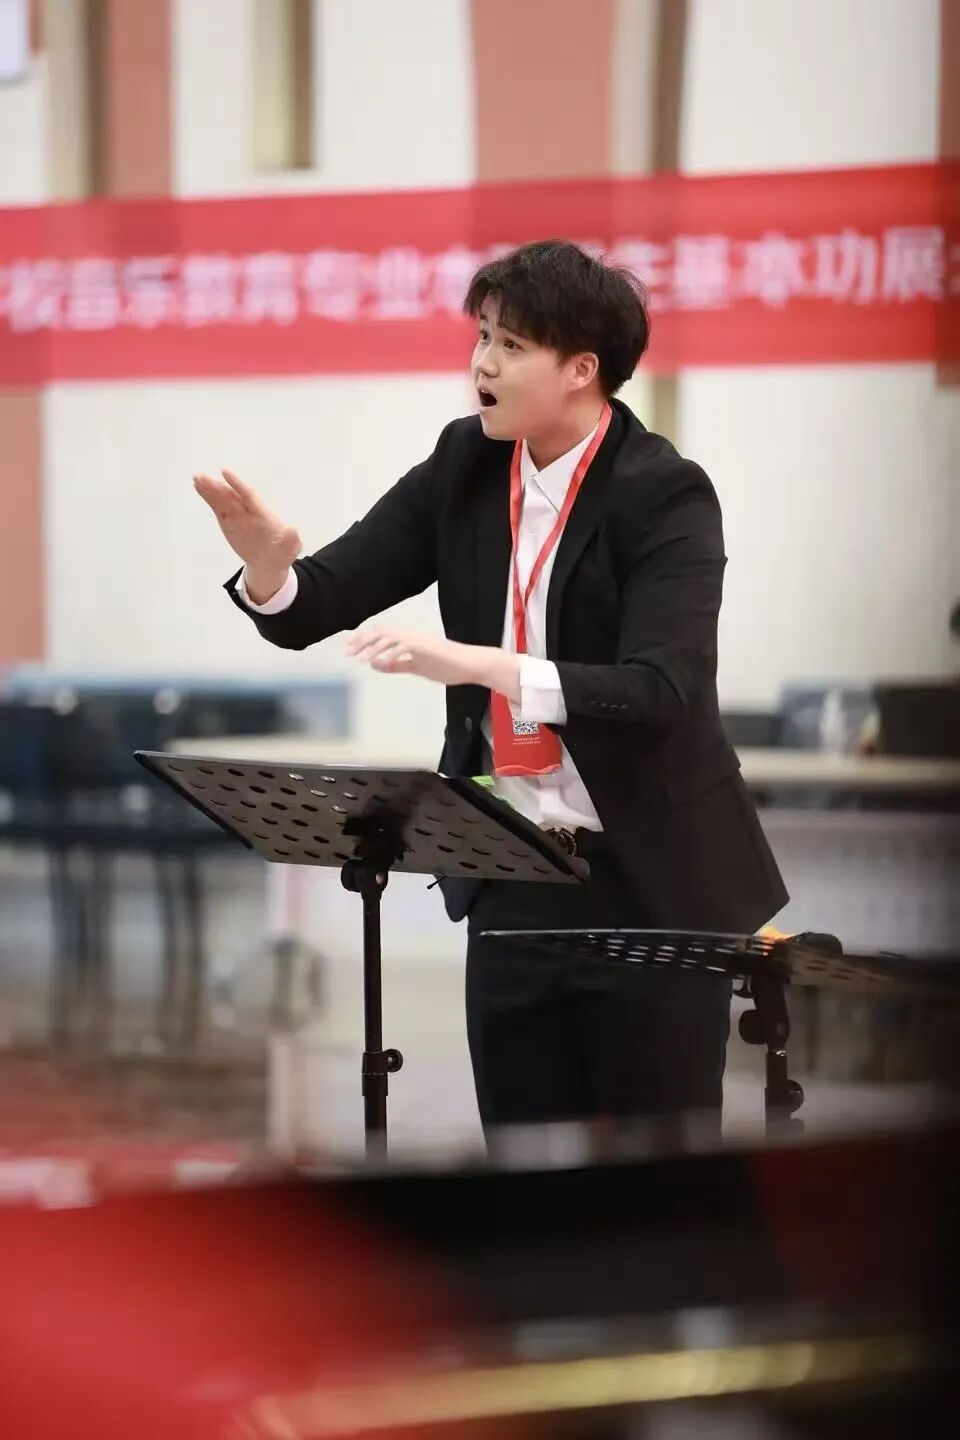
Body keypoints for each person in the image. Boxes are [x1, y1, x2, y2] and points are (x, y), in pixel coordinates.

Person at [195, 240, 788, 1136]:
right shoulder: (465, 465)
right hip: (511, 871)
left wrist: (478, 664)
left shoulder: (663, 493)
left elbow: (660, 691)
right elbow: (316, 603)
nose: (483, 363)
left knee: (655, 1178)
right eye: (482, 336)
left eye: (512, 345)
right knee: (521, 1166)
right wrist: (269, 570)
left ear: (581, 368)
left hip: (651, 882)